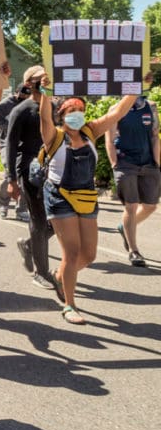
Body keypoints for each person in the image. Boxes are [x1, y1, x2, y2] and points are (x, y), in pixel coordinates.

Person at [37, 76, 143, 325]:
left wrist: (134, 88)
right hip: (60, 197)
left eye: (81, 110)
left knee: (89, 255)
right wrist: (45, 92)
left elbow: (117, 112)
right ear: (61, 115)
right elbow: (44, 118)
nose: (78, 114)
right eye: (72, 111)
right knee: (72, 254)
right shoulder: (54, 136)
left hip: (86, 196)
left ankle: (59, 276)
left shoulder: (90, 131)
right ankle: (69, 305)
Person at [5, 67, 58, 290]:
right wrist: (11, 179)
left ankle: (29, 244)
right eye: (39, 80)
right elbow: (10, 144)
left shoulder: (53, 107)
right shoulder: (21, 110)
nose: (44, 81)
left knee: (60, 217)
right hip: (29, 170)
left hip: (53, 168)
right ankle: (42, 273)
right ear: (28, 84)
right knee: (38, 219)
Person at [106, 95, 159, 267]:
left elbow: (155, 136)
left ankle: (125, 226)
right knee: (131, 205)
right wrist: (115, 164)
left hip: (148, 163)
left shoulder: (151, 107)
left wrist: (158, 163)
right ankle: (133, 250)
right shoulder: (116, 109)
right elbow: (110, 139)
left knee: (151, 206)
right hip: (125, 163)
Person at [0, 85, 32, 219]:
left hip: (24, 145)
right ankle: (4, 204)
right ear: (16, 93)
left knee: (24, 175)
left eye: (26, 98)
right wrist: (13, 126)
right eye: (21, 97)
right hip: (7, 144)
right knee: (8, 175)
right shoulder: (5, 104)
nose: (23, 99)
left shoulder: (30, 104)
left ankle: (21, 208)